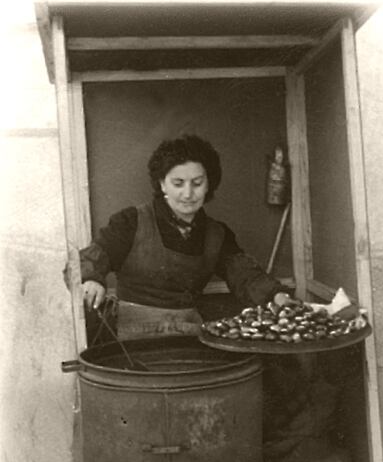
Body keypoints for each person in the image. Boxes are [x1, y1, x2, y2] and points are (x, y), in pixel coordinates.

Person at [79, 134, 293, 339]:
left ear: (208, 184)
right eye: (178, 183)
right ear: (162, 184)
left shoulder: (217, 233)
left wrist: (276, 295)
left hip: (189, 336)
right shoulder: (130, 221)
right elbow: (89, 260)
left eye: (197, 183)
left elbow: (245, 275)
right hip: (129, 337)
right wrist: (91, 279)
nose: (188, 194)